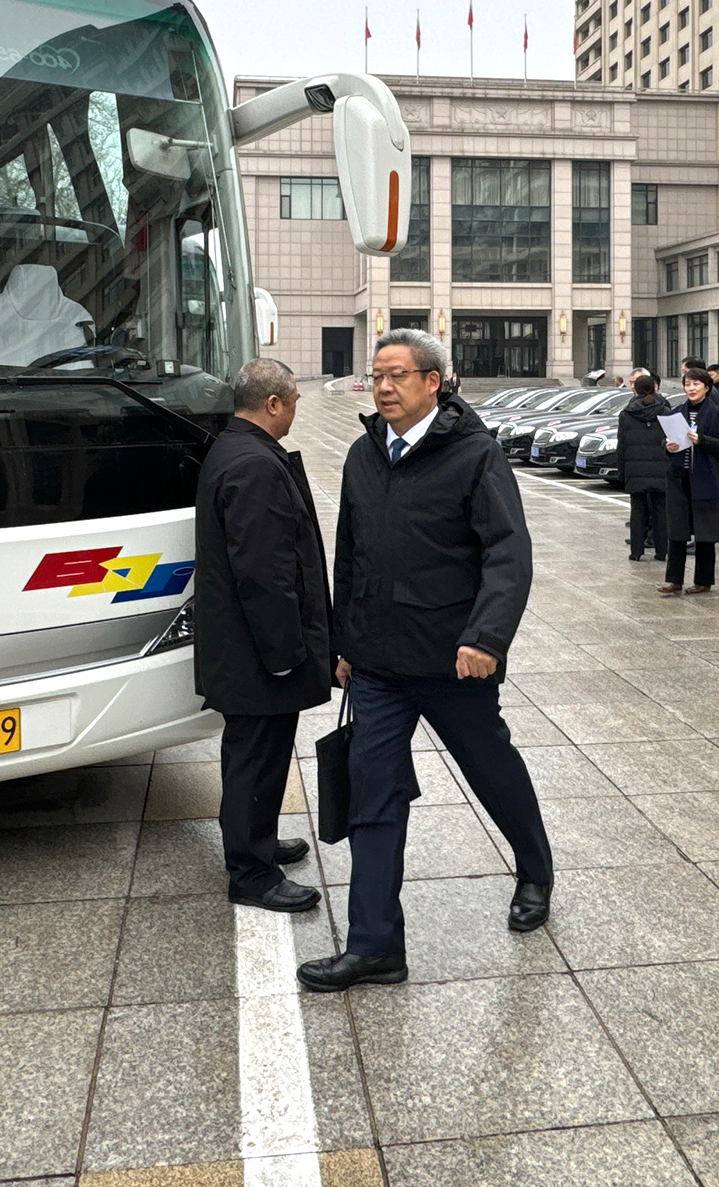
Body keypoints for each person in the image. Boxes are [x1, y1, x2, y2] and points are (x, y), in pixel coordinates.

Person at [300, 330, 554, 992]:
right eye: (375, 375)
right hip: (379, 664)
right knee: (373, 800)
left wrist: (486, 639)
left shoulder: (474, 457)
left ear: (432, 382)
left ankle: (534, 867)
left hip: (453, 663)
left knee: (491, 771)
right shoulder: (362, 455)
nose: (382, 387)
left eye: (396, 375)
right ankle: (375, 945)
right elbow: (348, 555)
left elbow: (508, 553)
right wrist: (341, 641)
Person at [192, 358, 334, 913]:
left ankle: (260, 840)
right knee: (255, 755)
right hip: (258, 654)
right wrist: (283, 656)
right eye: (294, 399)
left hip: (243, 648)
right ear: (273, 404)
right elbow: (265, 572)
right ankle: (251, 873)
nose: (297, 408)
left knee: (260, 755)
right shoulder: (253, 465)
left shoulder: (236, 449)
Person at [659, 367, 719, 596]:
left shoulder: (718, 413)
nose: (691, 388)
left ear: (706, 388)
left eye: (696, 384)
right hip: (680, 477)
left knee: (705, 532)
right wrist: (667, 447)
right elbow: (668, 442)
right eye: (688, 384)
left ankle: (703, 580)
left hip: (706, 477)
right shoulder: (677, 412)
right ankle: (674, 580)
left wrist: (702, 440)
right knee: (677, 530)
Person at [618, 372, 675, 562]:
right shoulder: (666, 411)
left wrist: (622, 472)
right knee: (660, 509)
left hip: (635, 469)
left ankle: (636, 551)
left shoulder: (627, 414)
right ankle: (661, 550)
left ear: (635, 389)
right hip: (661, 468)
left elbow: (622, 445)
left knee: (637, 510)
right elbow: (675, 440)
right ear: (654, 387)